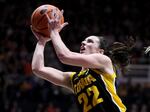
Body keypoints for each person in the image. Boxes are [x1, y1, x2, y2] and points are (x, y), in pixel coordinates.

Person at [31, 10, 133, 112]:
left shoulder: (103, 60)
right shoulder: (74, 80)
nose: (83, 43)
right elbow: (38, 69)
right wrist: (41, 42)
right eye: (83, 41)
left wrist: (53, 32)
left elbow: (64, 56)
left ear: (100, 51)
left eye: (90, 41)